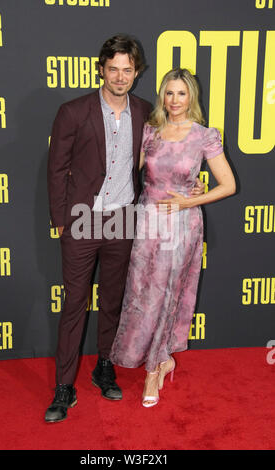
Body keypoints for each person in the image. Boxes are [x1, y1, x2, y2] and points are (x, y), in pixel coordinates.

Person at [46, 35, 204, 423]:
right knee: (74, 305)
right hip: (83, 219)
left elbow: (166, 160)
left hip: (124, 219)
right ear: (101, 70)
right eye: (113, 69)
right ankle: (63, 388)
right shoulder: (73, 111)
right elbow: (55, 169)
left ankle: (104, 367)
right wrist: (62, 222)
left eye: (127, 70)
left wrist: (192, 186)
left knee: (115, 301)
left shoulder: (147, 113)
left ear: (137, 73)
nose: (120, 76)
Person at [110, 68, 236, 408]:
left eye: (181, 94)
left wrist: (190, 198)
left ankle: (155, 368)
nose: (174, 100)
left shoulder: (203, 136)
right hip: (147, 223)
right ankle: (159, 357)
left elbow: (229, 185)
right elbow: (127, 173)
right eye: (169, 93)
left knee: (167, 295)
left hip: (181, 224)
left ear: (191, 97)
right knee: (142, 292)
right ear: (162, 95)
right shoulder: (150, 132)